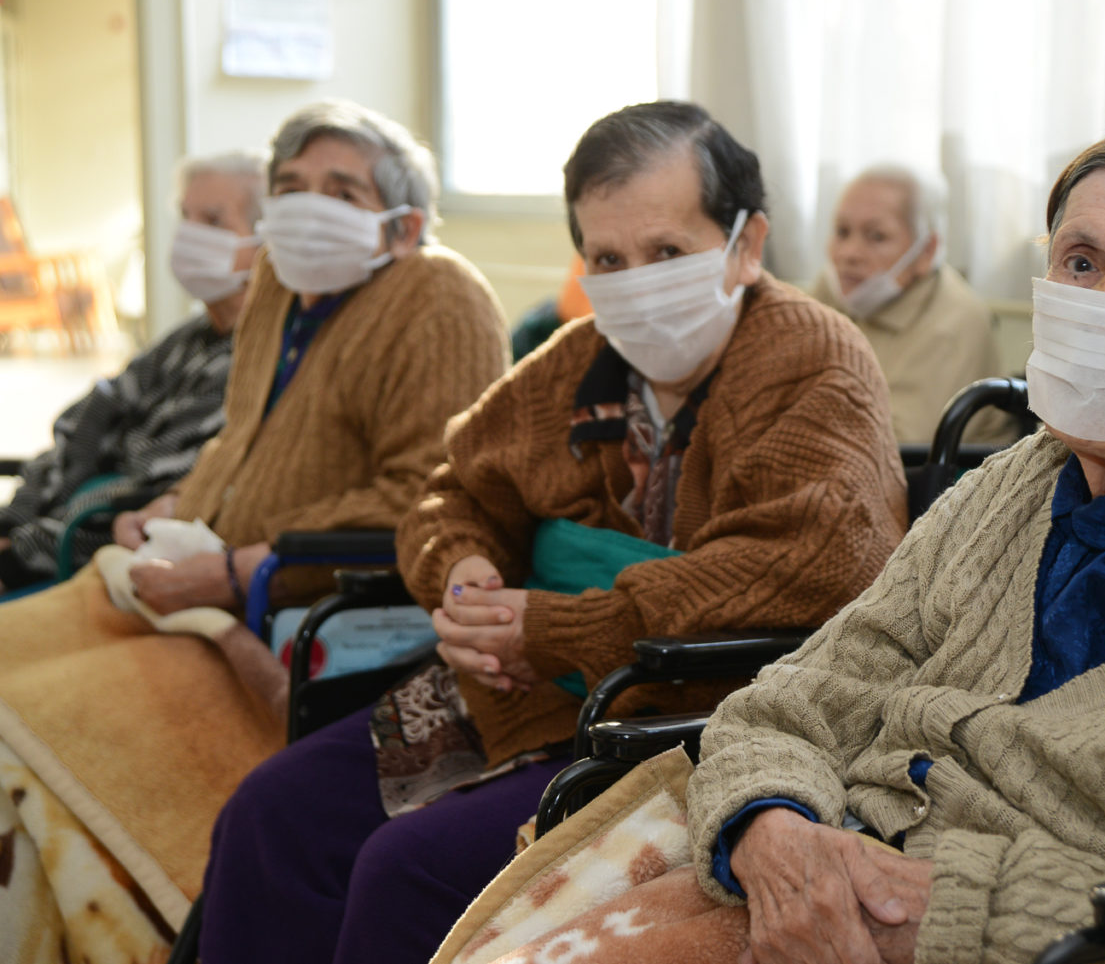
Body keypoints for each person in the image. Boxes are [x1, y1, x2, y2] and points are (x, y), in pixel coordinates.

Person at [494, 120, 1105, 964]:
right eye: (1082, 263)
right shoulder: (1007, 487)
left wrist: (954, 913)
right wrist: (772, 828)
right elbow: (792, 703)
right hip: (819, 879)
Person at [194, 99, 908, 964]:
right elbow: (450, 488)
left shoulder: (812, 357)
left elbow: (810, 563)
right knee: (273, 813)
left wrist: (557, 626)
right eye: (607, 258)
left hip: (702, 718)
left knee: (405, 872)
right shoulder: (576, 361)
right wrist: (459, 570)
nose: (634, 280)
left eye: (666, 253)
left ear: (746, 244)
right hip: (527, 690)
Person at [0, 99, 509, 961]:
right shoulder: (277, 282)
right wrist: (172, 511)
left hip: (296, 613)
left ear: (404, 222)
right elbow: (239, 443)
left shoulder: (440, 297)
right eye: (290, 186)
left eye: (340, 190)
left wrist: (236, 569)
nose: (306, 206)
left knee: (27, 744)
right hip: (187, 583)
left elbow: (426, 500)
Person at [0, 151, 266, 595]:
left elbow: (149, 487)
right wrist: (13, 522)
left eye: (214, 221)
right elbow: (83, 426)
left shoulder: (256, 358)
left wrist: (15, 555)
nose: (190, 234)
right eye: (186, 217)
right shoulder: (187, 339)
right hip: (42, 540)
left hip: (93, 558)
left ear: (263, 242)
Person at [810, 165, 1013, 445]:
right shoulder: (837, 287)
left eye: (876, 236)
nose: (848, 253)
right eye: (842, 232)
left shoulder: (954, 322)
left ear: (926, 250)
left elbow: (897, 447)